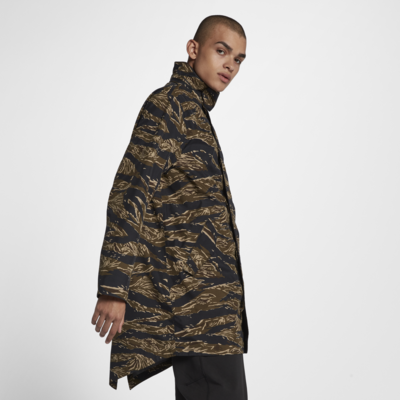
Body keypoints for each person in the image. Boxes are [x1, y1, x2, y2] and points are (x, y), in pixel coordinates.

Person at [91, 14, 249, 399]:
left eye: (239, 59)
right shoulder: (170, 106)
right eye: (221, 50)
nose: (230, 64)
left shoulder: (195, 113)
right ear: (193, 49)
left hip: (212, 312)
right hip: (194, 310)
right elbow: (130, 193)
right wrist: (114, 287)